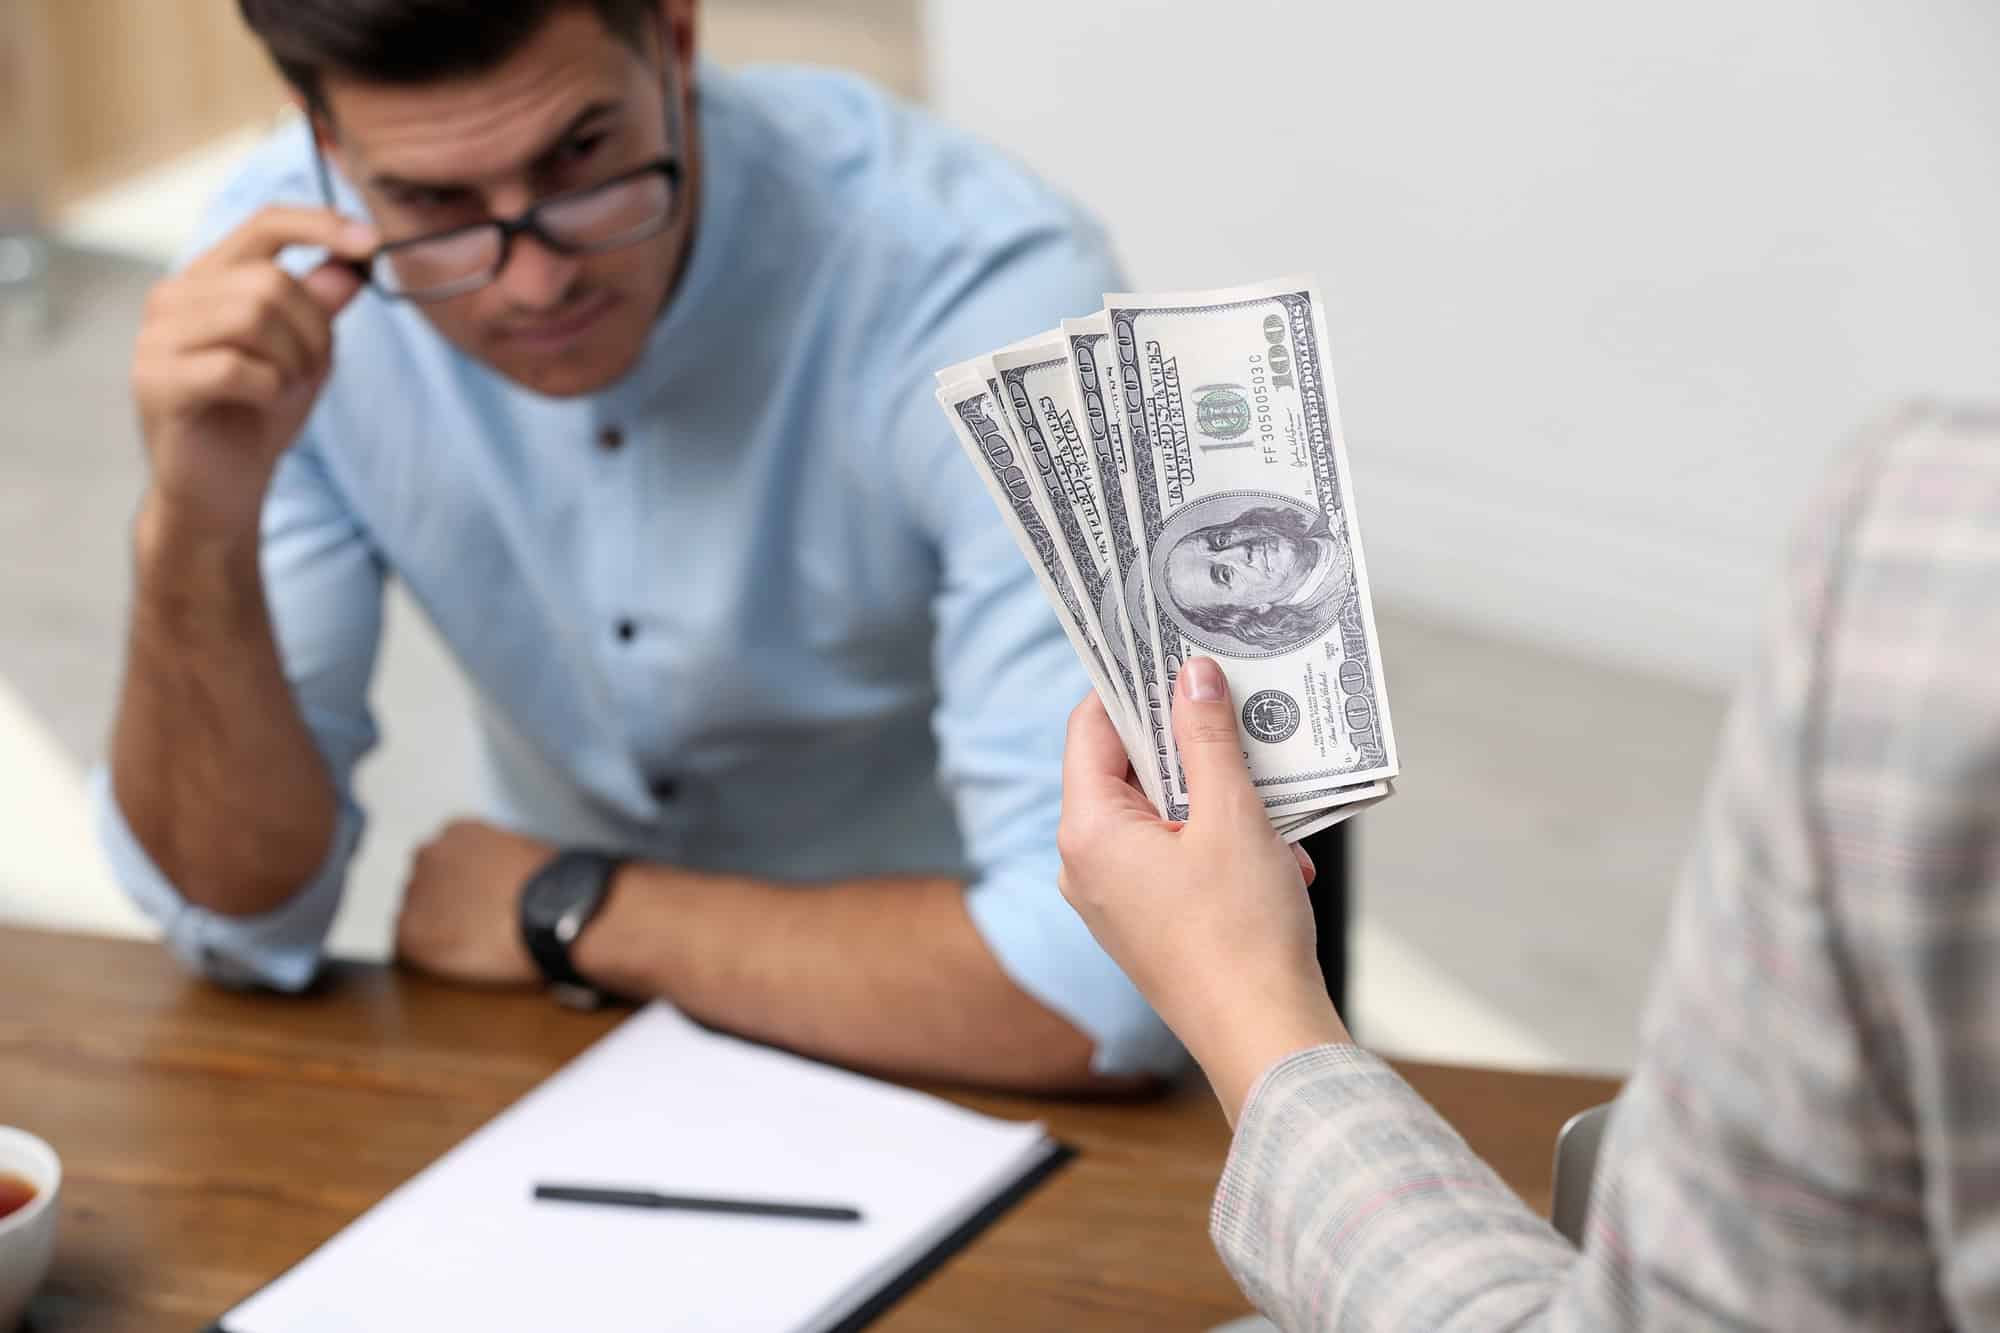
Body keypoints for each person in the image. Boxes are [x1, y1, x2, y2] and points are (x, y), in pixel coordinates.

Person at [97, 0, 1187, 1092]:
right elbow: (234, 918)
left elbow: (1113, 986)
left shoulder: (985, 292)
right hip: (559, 1037)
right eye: (433, 202)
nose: (534, 284)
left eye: (580, 155)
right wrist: (196, 527)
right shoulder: (276, 295)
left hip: (954, 1057)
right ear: (325, 141)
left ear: (674, 37)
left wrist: (576, 906)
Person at [1058, 404, 2000, 1327]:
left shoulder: (1923, 574)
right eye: (1218, 564)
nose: (1235, 551)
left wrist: (1244, 998)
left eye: (1225, 548)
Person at [1154, 497, 1352, 657]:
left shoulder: (1334, 502)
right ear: (1252, 610)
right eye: (1225, 575)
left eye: (1220, 540)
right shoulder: (1342, 620)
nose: (1241, 550)